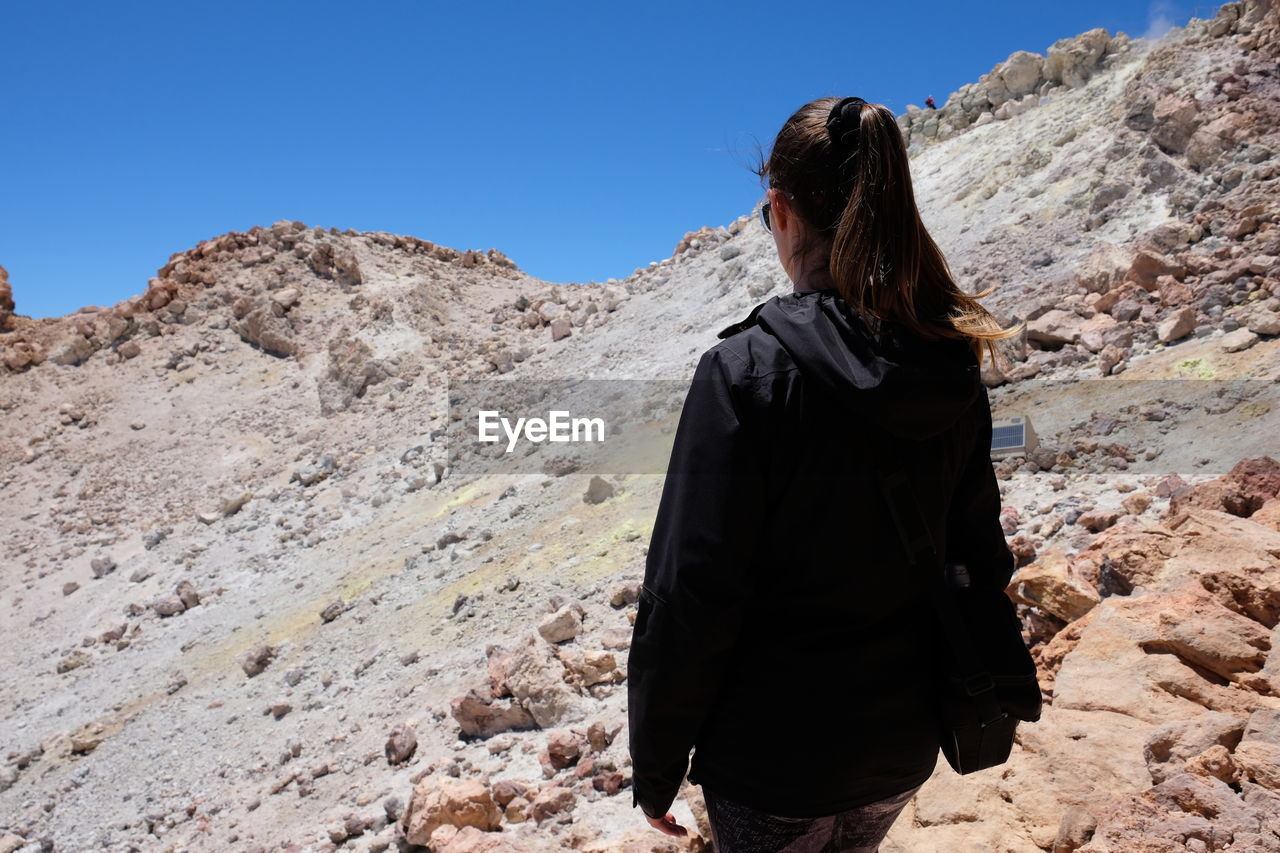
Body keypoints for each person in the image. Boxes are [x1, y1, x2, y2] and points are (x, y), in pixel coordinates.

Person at [626, 95, 1023, 852]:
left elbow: (691, 593)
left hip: (772, 757)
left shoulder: (744, 371)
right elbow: (979, 556)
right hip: (904, 742)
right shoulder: (949, 366)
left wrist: (656, 763)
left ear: (780, 210)